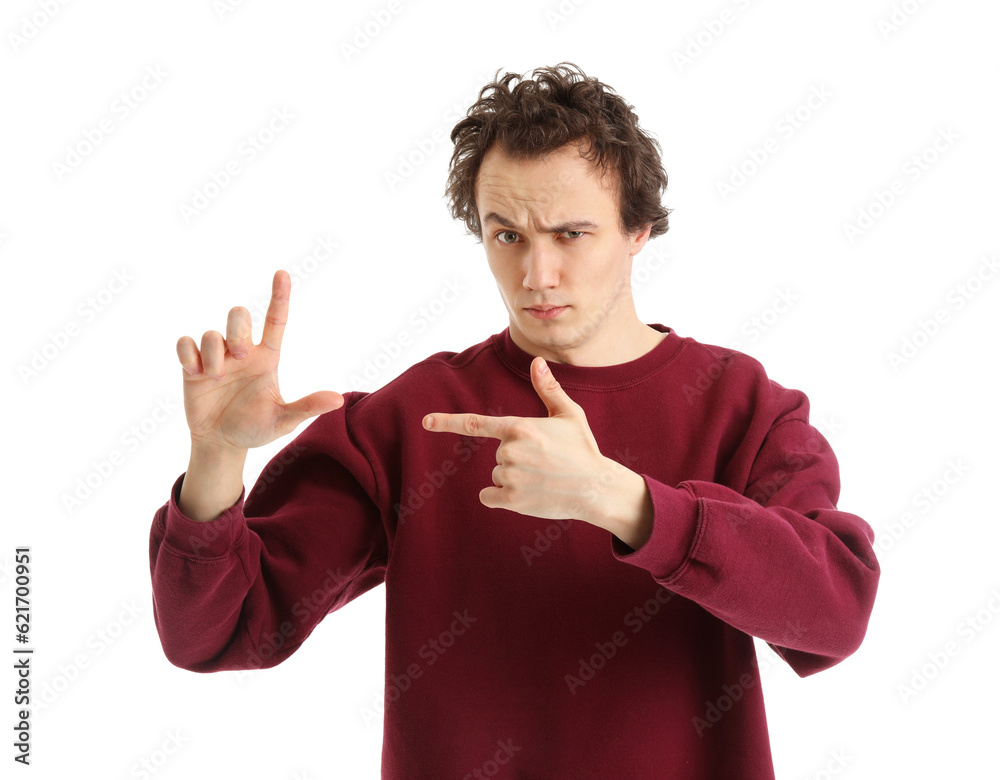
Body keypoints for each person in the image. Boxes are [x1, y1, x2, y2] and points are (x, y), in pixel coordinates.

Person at [148, 62, 880, 778]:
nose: (536, 275)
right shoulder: (415, 418)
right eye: (508, 236)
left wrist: (619, 500)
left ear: (639, 231)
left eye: (570, 234)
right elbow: (213, 634)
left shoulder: (742, 405)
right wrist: (215, 460)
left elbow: (835, 613)